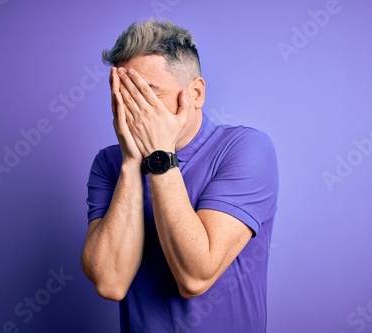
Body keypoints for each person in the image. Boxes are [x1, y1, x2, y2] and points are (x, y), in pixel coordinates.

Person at [81, 19, 278, 333]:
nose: (134, 111)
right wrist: (132, 162)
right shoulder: (109, 163)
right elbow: (110, 282)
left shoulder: (245, 149)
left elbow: (195, 276)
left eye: (147, 95)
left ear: (196, 93)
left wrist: (158, 156)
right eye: (125, 95)